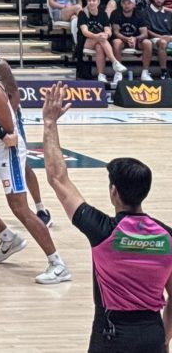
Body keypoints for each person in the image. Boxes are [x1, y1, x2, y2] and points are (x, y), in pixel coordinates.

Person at [41, 82, 172, 352]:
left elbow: (58, 179)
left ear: (114, 191)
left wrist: (50, 123)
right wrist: (164, 339)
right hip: (152, 333)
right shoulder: (167, 236)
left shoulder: (102, 231)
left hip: (111, 333)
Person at [0, 41, 72, 285]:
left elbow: (8, 132)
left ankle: (57, 263)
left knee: (19, 208)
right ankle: (9, 238)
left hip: (8, 150)